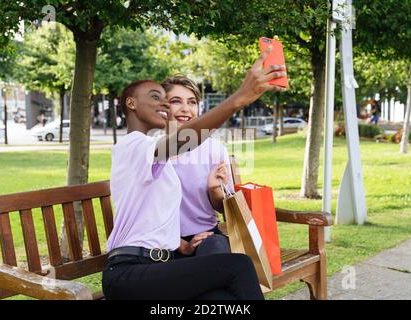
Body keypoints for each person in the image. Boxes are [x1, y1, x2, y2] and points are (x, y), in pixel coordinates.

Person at [102, 47, 287, 300]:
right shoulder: (132, 146)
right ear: (131, 104)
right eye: (159, 98)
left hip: (161, 266)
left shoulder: (159, 163)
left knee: (222, 300)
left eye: (189, 102)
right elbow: (182, 141)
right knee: (239, 267)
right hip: (129, 272)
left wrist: (185, 242)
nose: (166, 105)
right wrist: (240, 98)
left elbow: (154, 218)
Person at [161, 76, 234, 258]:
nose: (186, 109)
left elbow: (227, 211)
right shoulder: (150, 151)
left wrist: (215, 189)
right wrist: (182, 245)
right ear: (162, 107)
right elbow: (142, 214)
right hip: (162, 242)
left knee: (216, 250)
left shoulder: (213, 149)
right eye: (176, 101)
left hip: (206, 238)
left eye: (192, 102)